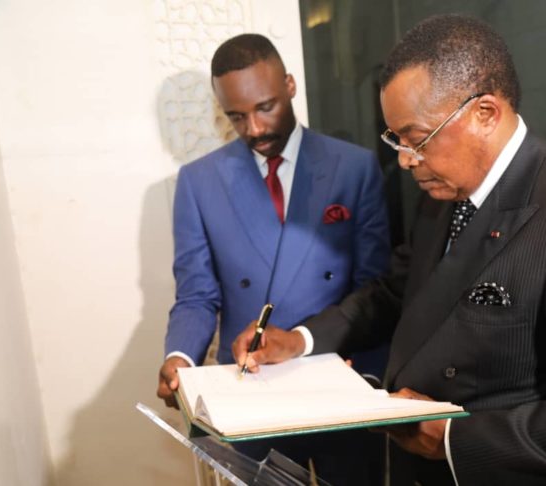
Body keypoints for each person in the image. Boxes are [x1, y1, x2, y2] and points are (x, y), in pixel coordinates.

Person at [233, 14, 546, 486]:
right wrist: (300, 340)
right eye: (396, 140)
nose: (405, 160)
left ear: (484, 114)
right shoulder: (442, 194)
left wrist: (453, 437)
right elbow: (396, 293)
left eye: (417, 139)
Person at [155, 33, 391, 484]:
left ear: (290, 85)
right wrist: (180, 356)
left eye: (265, 108)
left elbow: (375, 287)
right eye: (236, 116)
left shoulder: (354, 167)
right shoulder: (198, 183)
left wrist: (367, 376)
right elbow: (197, 294)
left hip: (340, 381)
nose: (255, 129)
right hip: (252, 393)